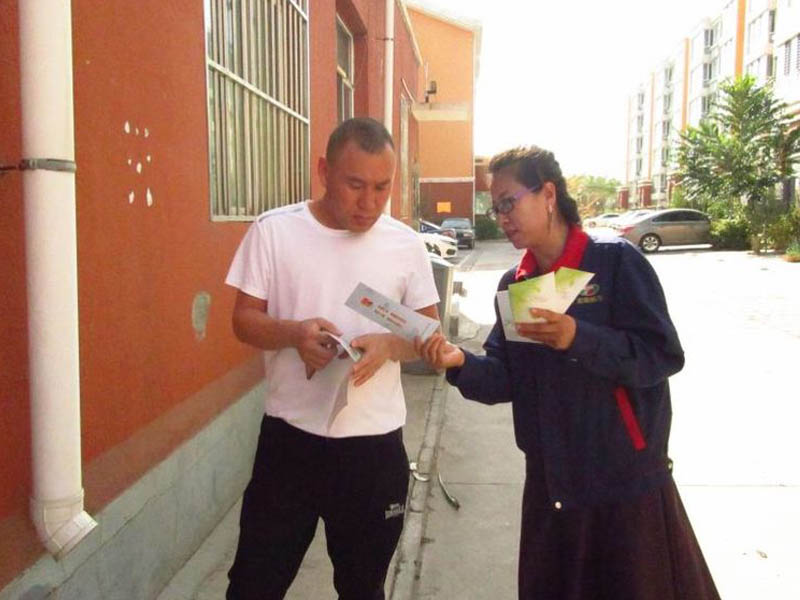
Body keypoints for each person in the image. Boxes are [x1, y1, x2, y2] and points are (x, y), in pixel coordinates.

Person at [416, 146, 720, 600]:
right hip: (551, 483)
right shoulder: (516, 284)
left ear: (548, 195)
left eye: (508, 202)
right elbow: (505, 376)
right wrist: (459, 362)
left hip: (623, 483)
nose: (502, 217)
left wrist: (579, 336)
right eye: (495, 207)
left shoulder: (613, 263)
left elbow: (661, 356)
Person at [224, 117, 439, 600]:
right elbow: (243, 321)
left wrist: (389, 345)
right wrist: (294, 334)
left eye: (382, 188)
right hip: (290, 442)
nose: (369, 203)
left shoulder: (404, 243)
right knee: (254, 585)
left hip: (373, 448)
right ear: (324, 171)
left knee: (362, 588)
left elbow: (430, 336)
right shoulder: (275, 231)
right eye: (355, 185)